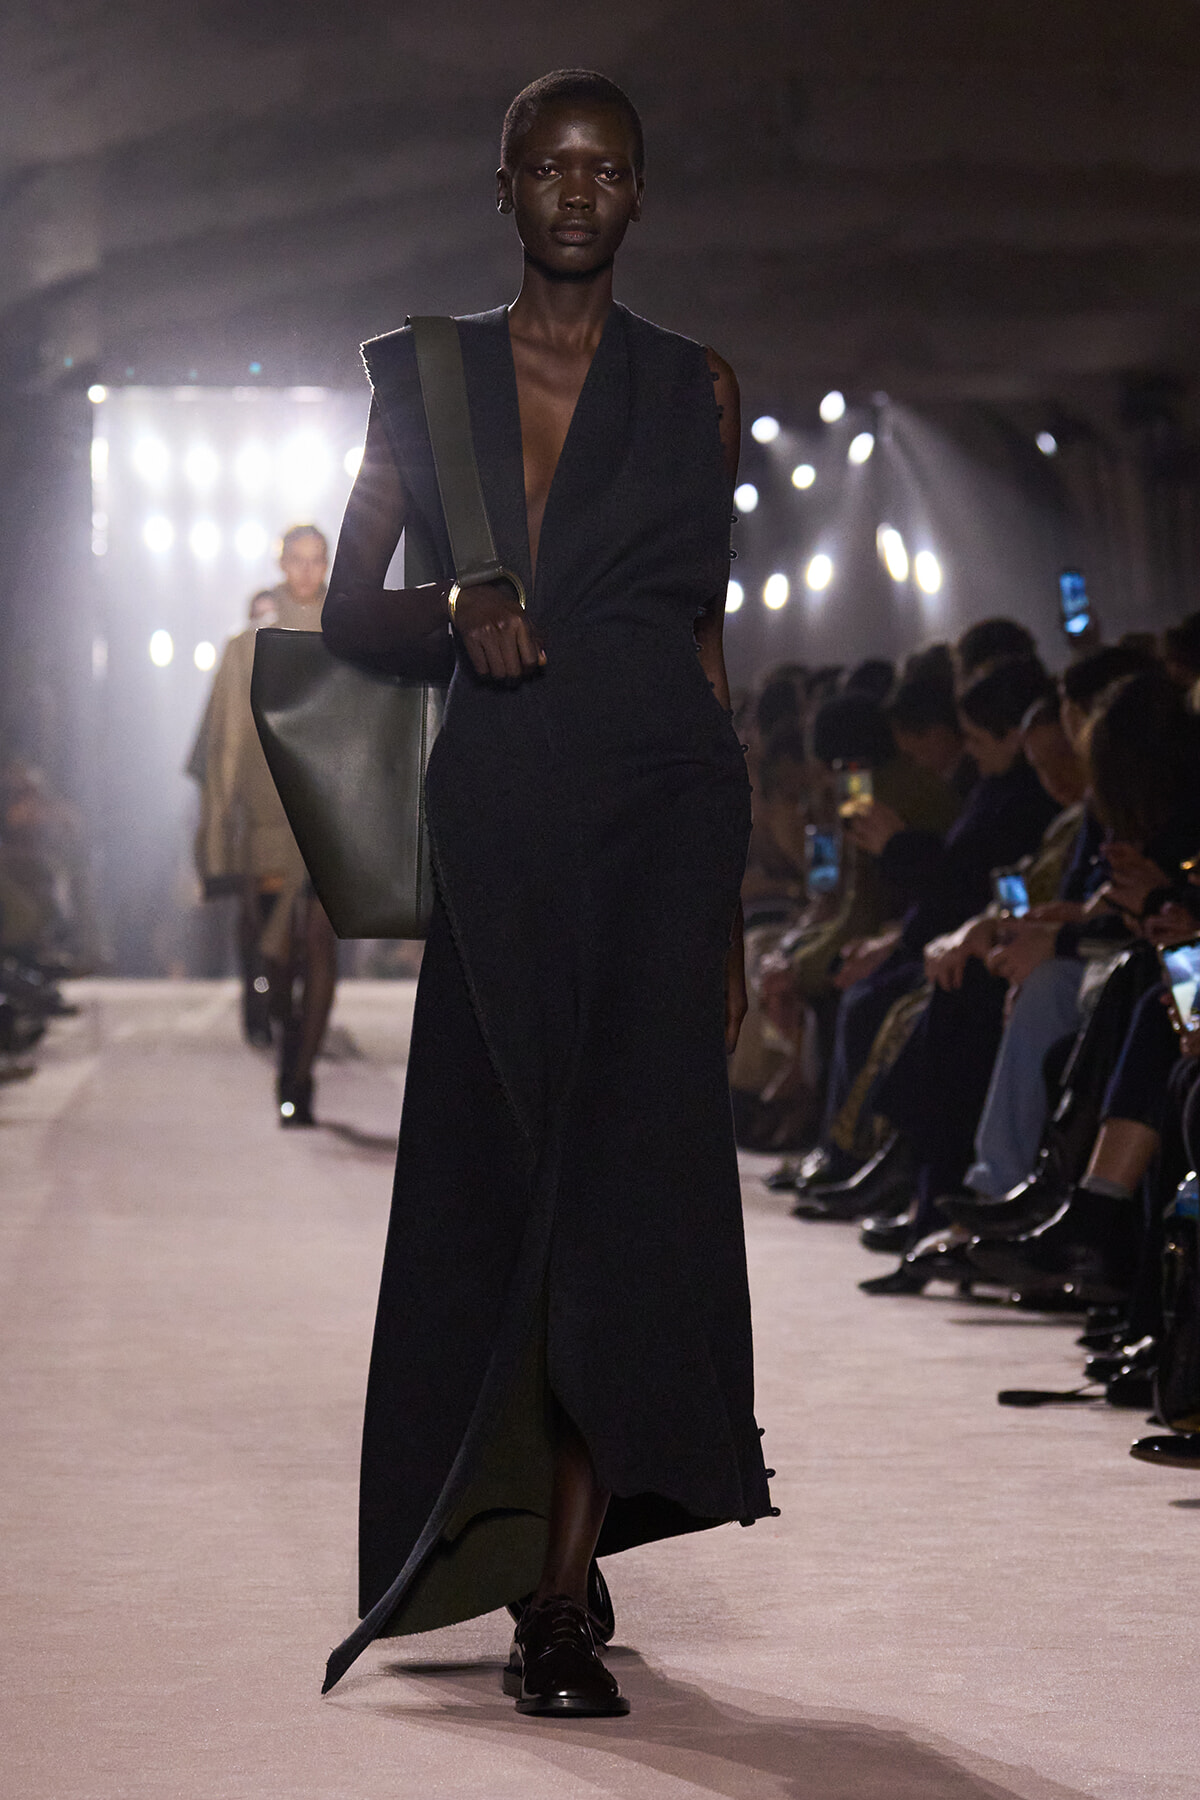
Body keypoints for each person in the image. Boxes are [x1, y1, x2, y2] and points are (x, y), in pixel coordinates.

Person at [318, 71, 773, 1717]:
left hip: (663, 817)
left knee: (625, 1197)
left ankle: (560, 1598)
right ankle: (521, 1535)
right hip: (505, 813)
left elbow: (708, 643)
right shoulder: (425, 380)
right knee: (512, 1186)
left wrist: (729, 903)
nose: (580, 191)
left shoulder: (697, 387)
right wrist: (456, 602)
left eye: (610, 168)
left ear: (641, 196)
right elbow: (346, 613)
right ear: (501, 186)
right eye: (551, 166)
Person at [189, 526, 338, 1123]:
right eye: (296, 559)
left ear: (327, 564)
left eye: (316, 560)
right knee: (275, 951)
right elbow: (227, 742)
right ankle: (285, 1030)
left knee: (319, 941)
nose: (306, 571)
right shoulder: (248, 645)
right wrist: (219, 830)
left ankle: (300, 1075)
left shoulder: (349, 633)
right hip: (270, 819)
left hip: (331, 816)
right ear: (281, 563)